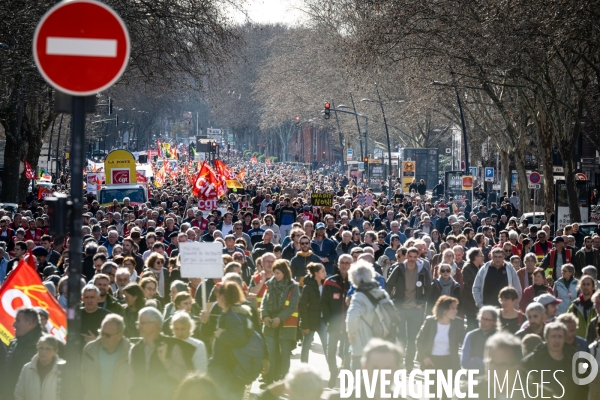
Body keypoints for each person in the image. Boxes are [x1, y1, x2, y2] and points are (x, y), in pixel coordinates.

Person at [130, 307, 191, 400]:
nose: (139, 327)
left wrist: (166, 362)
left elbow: (185, 377)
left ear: (155, 325)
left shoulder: (172, 346)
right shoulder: (136, 349)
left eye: (142, 323)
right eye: (138, 323)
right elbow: (131, 379)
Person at [386, 247, 431, 370]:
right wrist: (391, 301)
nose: (412, 259)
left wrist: (421, 301)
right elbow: (388, 285)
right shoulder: (399, 269)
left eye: (414, 257)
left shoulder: (423, 270)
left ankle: (409, 364)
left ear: (417, 258)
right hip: (400, 307)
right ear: (406, 256)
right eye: (410, 256)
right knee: (401, 338)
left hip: (415, 309)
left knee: (412, 338)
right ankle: (399, 362)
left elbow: (429, 288)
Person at [415, 295, 465, 400]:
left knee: (446, 395)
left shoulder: (458, 323)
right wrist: (424, 357)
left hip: (450, 363)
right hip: (432, 362)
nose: (456, 311)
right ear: (444, 310)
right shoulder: (430, 322)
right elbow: (419, 341)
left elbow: (464, 342)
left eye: (456, 308)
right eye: (453, 308)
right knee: (433, 395)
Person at [346, 260, 391, 371]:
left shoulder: (358, 297)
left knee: (359, 377)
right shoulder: (382, 293)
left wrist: (350, 334)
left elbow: (351, 318)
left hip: (362, 345)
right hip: (380, 343)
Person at [261, 260, 300, 385]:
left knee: (284, 354)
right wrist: (265, 316)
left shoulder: (293, 286)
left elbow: (292, 306)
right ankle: (270, 380)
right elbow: (264, 302)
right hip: (270, 323)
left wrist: (279, 318)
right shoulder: (270, 284)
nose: (275, 276)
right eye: (274, 273)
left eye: (278, 273)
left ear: (284, 272)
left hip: (286, 324)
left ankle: (284, 381)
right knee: (271, 352)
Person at [523, 322, 584, 398]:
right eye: (553, 336)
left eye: (560, 337)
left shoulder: (574, 359)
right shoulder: (534, 358)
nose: (556, 340)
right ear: (547, 338)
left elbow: (582, 388)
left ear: (564, 339)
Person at [81, 314, 133, 400]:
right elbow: (83, 379)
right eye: (102, 333)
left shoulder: (131, 353)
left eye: (107, 335)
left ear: (119, 336)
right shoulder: (89, 350)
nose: (103, 337)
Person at [321, 254, 352, 388]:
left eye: (347, 263)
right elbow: (324, 303)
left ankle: (345, 373)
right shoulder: (330, 281)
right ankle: (333, 372)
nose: (345, 265)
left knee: (347, 351)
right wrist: (329, 320)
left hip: (349, 324)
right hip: (333, 323)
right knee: (330, 351)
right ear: (338, 265)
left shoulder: (356, 283)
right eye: (342, 263)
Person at [2, 307, 45, 400]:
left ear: (30, 323)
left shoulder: (43, 345)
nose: (14, 324)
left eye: (18, 320)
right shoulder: (14, 343)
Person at [14, 335, 65, 400]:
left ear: (55, 351)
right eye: (41, 348)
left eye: (48, 349)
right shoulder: (27, 368)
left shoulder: (62, 369)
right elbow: (19, 393)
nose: (43, 352)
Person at [298, 262, 327, 363]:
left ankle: (333, 370)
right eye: (323, 271)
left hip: (323, 320)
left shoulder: (326, 285)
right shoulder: (308, 287)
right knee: (306, 346)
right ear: (316, 273)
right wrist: (305, 325)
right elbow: (302, 306)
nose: (325, 273)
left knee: (327, 346)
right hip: (310, 321)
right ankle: (303, 370)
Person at [461, 306, 498, 370]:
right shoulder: (471, 335)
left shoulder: (499, 337)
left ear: (494, 322)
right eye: (481, 318)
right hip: (473, 376)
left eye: (486, 320)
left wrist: (475, 359)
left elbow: (497, 365)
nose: (483, 321)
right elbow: (465, 363)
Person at [462, 248, 485, 331]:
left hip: (479, 301)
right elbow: (470, 284)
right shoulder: (467, 268)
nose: (483, 257)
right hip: (470, 302)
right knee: (471, 326)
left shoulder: (481, 267)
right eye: (481, 255)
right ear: (475, 258)